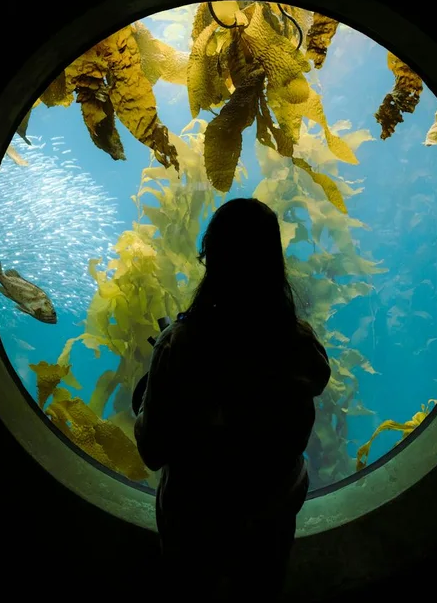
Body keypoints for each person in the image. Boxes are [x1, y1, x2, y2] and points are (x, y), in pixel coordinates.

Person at [134, 197, 331, 601]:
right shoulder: (298, 343)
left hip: (193, 523)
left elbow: (152, 449)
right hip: (272, 516)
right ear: (275, 262)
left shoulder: (179, 345)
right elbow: (313, 380)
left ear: (211, 259)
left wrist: (146, 396)